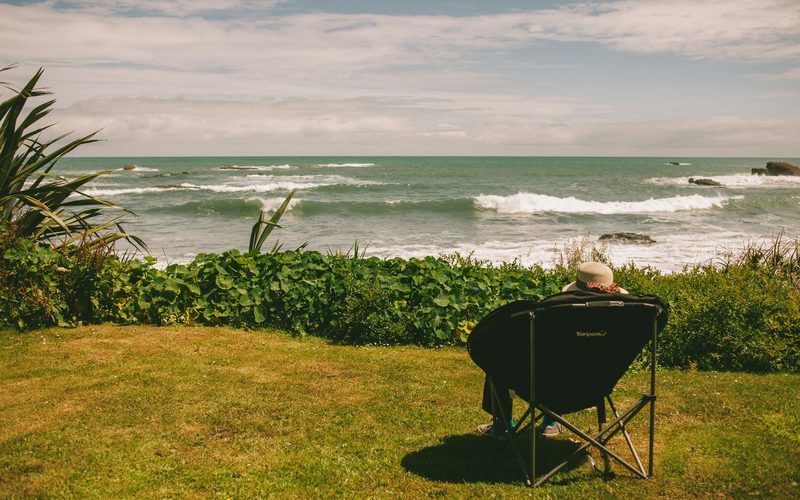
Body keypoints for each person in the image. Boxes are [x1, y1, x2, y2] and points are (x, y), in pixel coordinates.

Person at [476, 261, 627, 438]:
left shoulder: (559, 317)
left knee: (498, 360)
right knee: (567, 366)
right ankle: (550, 423)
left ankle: (503, 425)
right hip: (596, 386)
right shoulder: (622, 322)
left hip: (550, 388)